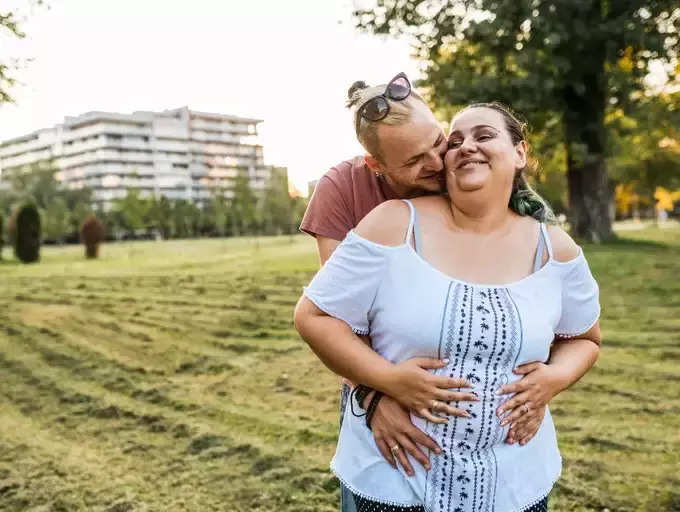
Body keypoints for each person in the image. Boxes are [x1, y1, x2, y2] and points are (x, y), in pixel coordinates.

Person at [295, 99, 601, 512]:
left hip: (514, 484)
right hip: (397, 478)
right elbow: (318, 316)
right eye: (455, 140)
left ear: (520, 153)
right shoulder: (391, 223)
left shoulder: (556, 250)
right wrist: (383, 387)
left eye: (484, 135)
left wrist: (554, 378)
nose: (463, 147)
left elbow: (585, 338)